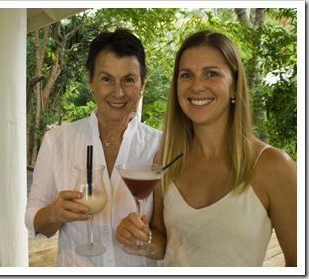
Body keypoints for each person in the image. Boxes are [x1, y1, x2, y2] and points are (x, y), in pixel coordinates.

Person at [116, 30, 297, 267]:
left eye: (211, 74)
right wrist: (143, 238)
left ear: (234, 87)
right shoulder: (168, 158)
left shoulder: (273, 166)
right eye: (186, 75)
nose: (197, 86)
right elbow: (163, 242)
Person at [25, 29, 161, 267]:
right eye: (106, 79)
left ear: (141, 85)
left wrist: (146, 237)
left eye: (128, 80)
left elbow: (169, 237)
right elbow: (35, 220)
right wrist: (54, 213)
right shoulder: (57, 140)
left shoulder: (160, 146)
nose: (118, 93)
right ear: (90, 80)